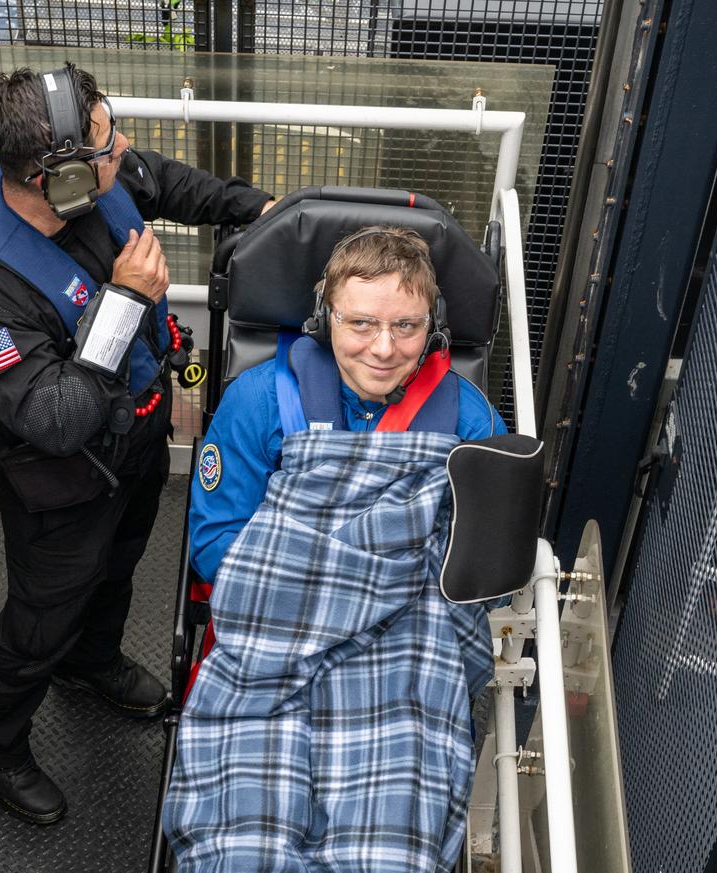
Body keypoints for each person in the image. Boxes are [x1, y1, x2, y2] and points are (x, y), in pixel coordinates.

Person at [0, 64, 273, 826]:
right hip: (62, 478)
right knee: (41, 616)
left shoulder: (93, 173)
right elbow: (52, 416)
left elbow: (166, 182)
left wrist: (266, 209)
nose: (121, 151)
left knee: (119, 566)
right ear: (51, 180)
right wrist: (125, 301)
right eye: (104, 145)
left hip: (137, 435)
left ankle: (90, 665)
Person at [163, 225, 507, 871]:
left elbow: (488, 569)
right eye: (361, 324)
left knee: (391, 840)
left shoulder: (469, 421)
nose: (383, 348)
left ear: (432, 327)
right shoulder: (261, 399)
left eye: (406, 326)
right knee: (246, 841)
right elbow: (215, 545)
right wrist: (325, 593)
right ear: (325, 317)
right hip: (274, 649)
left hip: (406, 664)